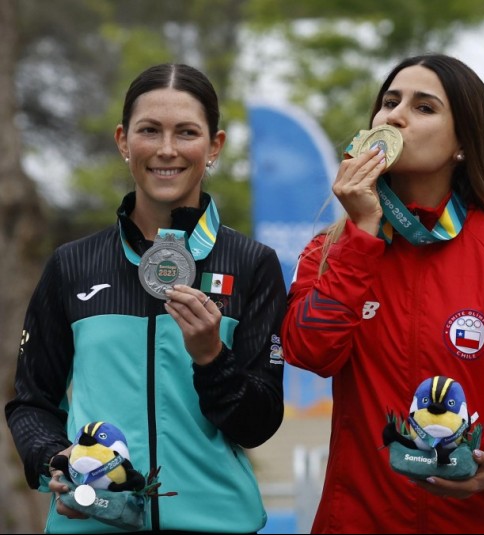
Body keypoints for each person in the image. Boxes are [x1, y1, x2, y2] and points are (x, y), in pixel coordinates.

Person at [5, 63, 287, 533]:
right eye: (149, 131)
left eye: (187, 132)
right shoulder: (72, 265)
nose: (167, 149)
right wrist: (56, 460)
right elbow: (31, 403)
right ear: (123, 141)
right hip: (92, 521)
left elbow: (259, 424)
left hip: (214, 524)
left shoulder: (251, 263)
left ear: (214, 146)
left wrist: (211, 357)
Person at [280, 53, 484, 533]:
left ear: (463, 143)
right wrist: (362, 238)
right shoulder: (332, 249)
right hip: (361, 518)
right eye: (389, 102)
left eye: (424, 107)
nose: (396, 116)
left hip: (483, 517)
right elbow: (309, 352)